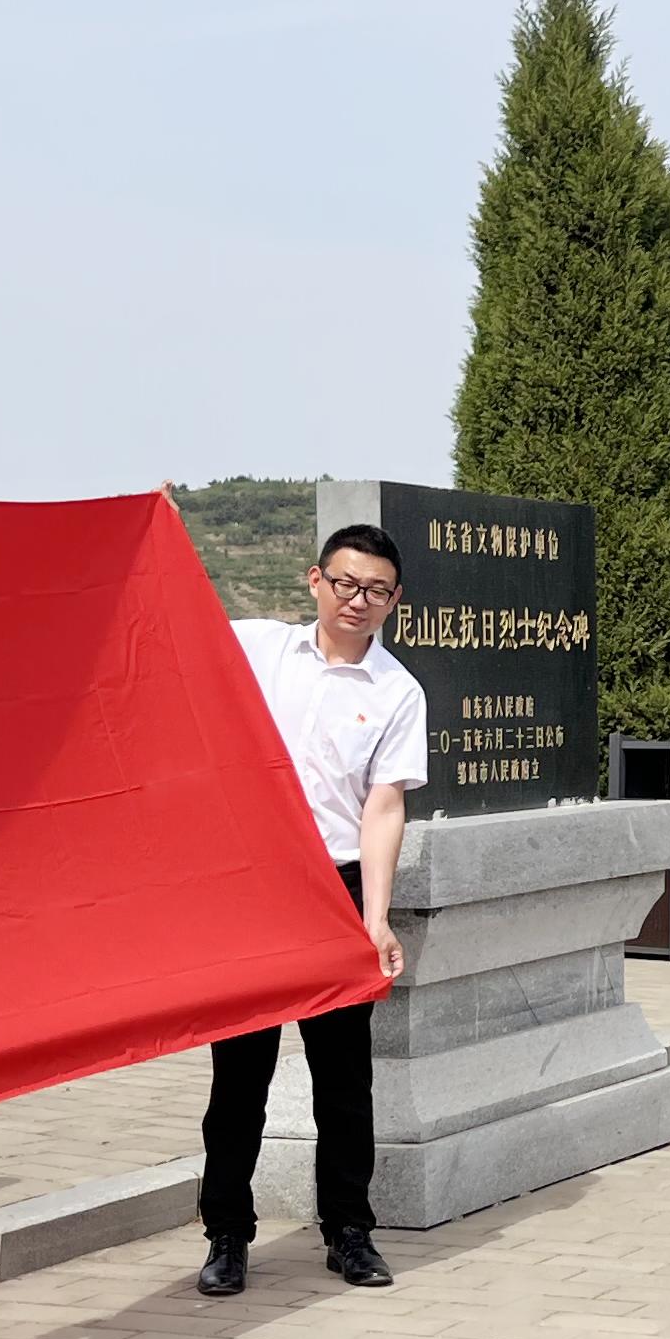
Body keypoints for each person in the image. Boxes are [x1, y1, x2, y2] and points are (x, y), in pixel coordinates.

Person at [197, 525, 419, 1299]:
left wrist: (376, 918)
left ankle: (349, 1231)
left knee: (343, 1077)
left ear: (395, 600)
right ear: (315, 581)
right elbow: (176, 623)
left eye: (377, 590)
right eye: (347, 584)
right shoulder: (261, 648)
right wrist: (159, 530)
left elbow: (383, 809)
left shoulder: (397, 691)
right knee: (239, 1076)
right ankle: (227, 1234)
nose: (359, 601)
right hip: (253, 890)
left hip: (337, 889)